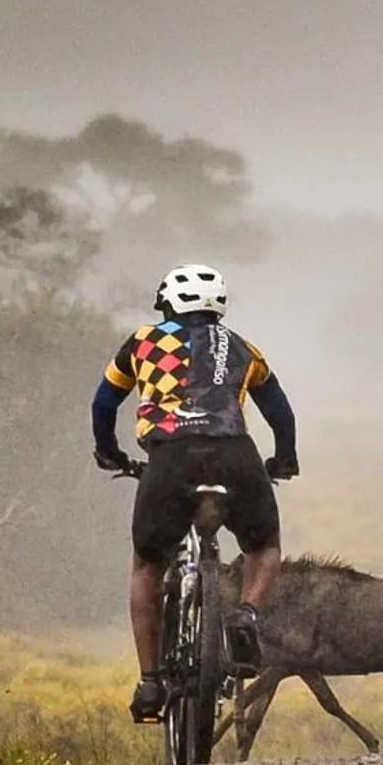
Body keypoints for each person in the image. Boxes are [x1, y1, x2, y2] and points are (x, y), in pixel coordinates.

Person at [92, 264, 299, 721]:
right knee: (264, 548)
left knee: (148, 565)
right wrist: (284, 461)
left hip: (170, 458)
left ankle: (149, 682)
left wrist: (109, 452)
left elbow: (104, 401)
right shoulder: (244, 349)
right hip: (235, 454)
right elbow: (281, 414)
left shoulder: (143, 341)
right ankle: (246, 614)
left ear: (166, 303)